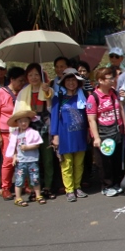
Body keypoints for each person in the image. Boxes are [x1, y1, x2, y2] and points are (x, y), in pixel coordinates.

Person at [13, 63, 56, 200]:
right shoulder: (23, 93)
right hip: (29, 128)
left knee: (47, 158)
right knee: (31, 160)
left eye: (36, 74)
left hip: (45, 127)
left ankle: (48, 187)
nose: (33, 77)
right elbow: (18, 112)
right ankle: (33, 188)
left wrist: (47, 93)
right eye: (30, 75)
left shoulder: (47, 89)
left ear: (41, 76)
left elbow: (51, 109)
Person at [51, 68, 89, 202]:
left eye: (74, 79)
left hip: (80, 134)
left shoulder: (83, 96)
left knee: (79, 163)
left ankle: (78, 186)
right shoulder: (58, 98)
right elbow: (54, 118)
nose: (71, 82)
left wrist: (89, 132)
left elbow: (88, 116)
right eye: (68, 80)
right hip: (65, 135)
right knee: (66, 164)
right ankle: (69, 189)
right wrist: (55, 136)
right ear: (63, 82)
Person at [87, 66, 125, 197]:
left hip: (116, 131)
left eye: (113, 78)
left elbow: (120, 109)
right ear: (100, 80)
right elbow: (92, 119)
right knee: (104, 162)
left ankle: (116, 183)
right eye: (110, 78)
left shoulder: (114, 93)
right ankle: (106, 185)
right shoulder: (94, 97)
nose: (113, 81)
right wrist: (96, 138)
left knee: (116, 160)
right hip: (103, 133)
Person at [0, 66, 26, 200]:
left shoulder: (22, 93)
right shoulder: (0, 93)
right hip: (6, 132)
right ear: (12, 79)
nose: (22, 84)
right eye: (20, 81)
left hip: (22, 131)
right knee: (8, 159)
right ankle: (5, 187)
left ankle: (25, 184)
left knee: (24, 157)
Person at [5, 110, 45, 206]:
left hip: (32, 160)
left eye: (25, 121)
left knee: (35, 178)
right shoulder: (15, 134)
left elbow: (37, 145)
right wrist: (14, 157)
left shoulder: (33, 132)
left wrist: (27, 147)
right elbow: (13, 147)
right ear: (17, 123)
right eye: (20, 121)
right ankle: (18, 197)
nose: (23, 123)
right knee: (19, 180)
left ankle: (38, 195)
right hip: (21, 160)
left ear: (29, 121)